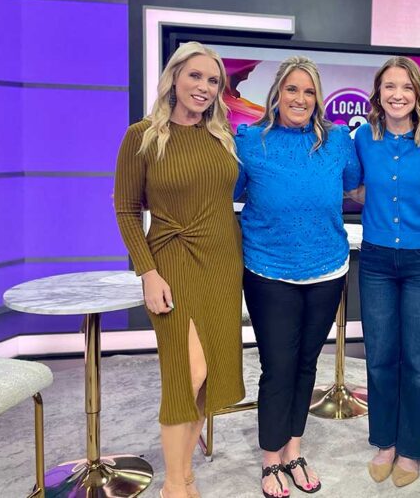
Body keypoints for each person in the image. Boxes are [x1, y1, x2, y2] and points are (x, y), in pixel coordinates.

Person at [114, 42, 244, 498]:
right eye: (195, 76)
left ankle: (185, 474)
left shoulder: (222, 135)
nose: (204, 87)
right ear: (173, 78)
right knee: (185, 376)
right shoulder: (142, 135)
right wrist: (147, 273)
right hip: (172, 262)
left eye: (213, 81)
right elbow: (126, 209)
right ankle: (173, 485)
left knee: (209, 376)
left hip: (223, 264)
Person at [234, 56, 361, 498]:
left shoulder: (337, 140)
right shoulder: (249, 140)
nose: (300, 99)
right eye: (292, 89)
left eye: (309, 92)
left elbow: (354, 185)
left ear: (318, 99)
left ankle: (293, 451)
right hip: (268, 270)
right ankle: (270, 459)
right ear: (277, 93)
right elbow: (227, 191)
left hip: (327, 268)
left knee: (307, 363)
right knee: (278, 366)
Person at [354, 56, 420, 487]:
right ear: (378, 93)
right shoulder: (364, 137)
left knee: (418, 360)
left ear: (419, 94)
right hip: (377, 260)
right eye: (389, 86)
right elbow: (357, 189)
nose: (398, 95)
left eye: (406, 87)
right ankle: (385, 442)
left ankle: (413, 449)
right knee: (380, 356)